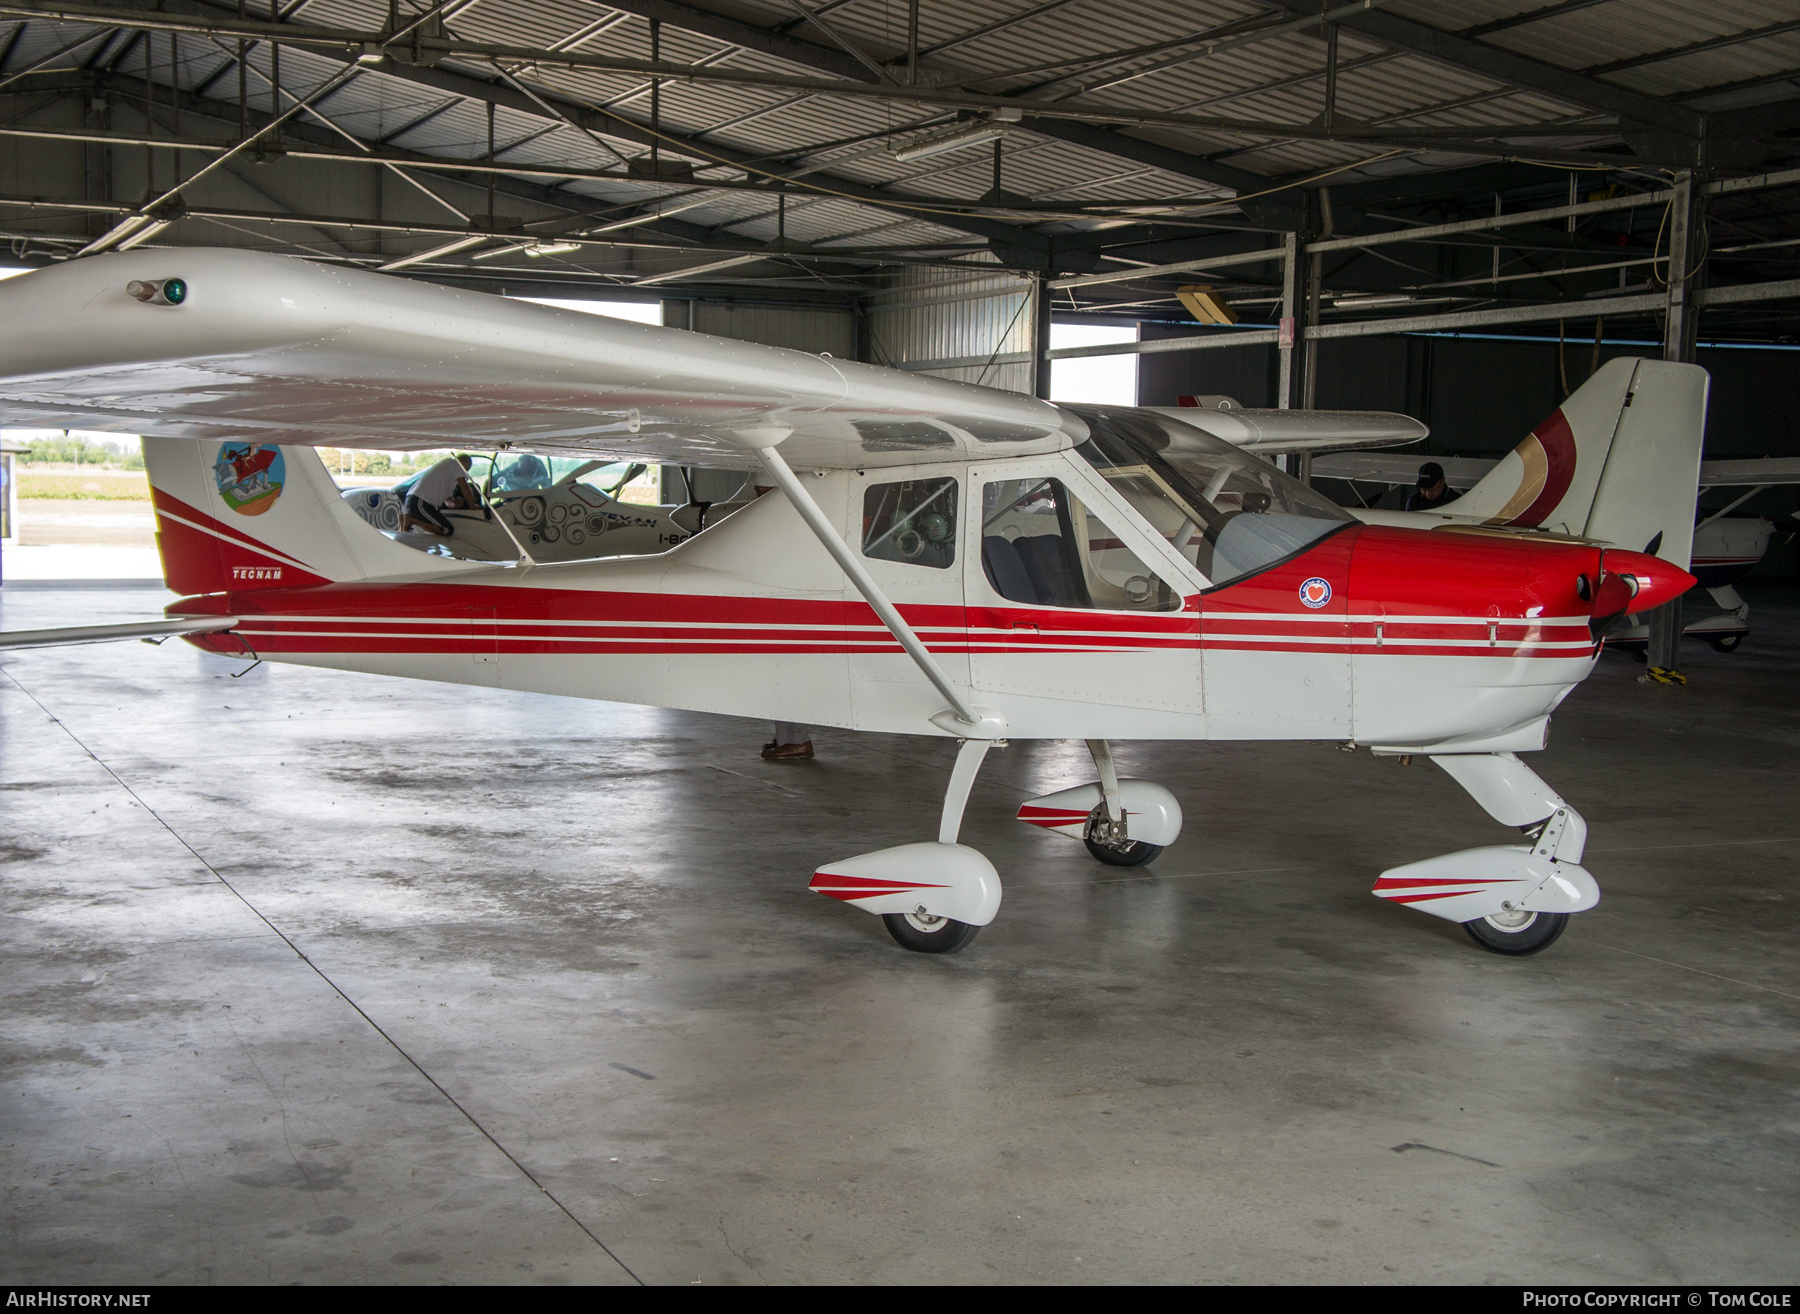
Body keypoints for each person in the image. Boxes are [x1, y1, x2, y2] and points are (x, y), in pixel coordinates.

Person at [401, 454, 478, 535]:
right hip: (420, 501)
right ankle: (411, 520)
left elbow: (447, 501)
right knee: (446, 530)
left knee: (445, 529)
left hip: (414, 500)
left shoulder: (447, 474)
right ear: (465, 463)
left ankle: (405, 520)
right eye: (466, 470)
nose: (465, 473)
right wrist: (472, 505)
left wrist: (456, 503)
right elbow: (464, 485)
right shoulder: (454, 463)